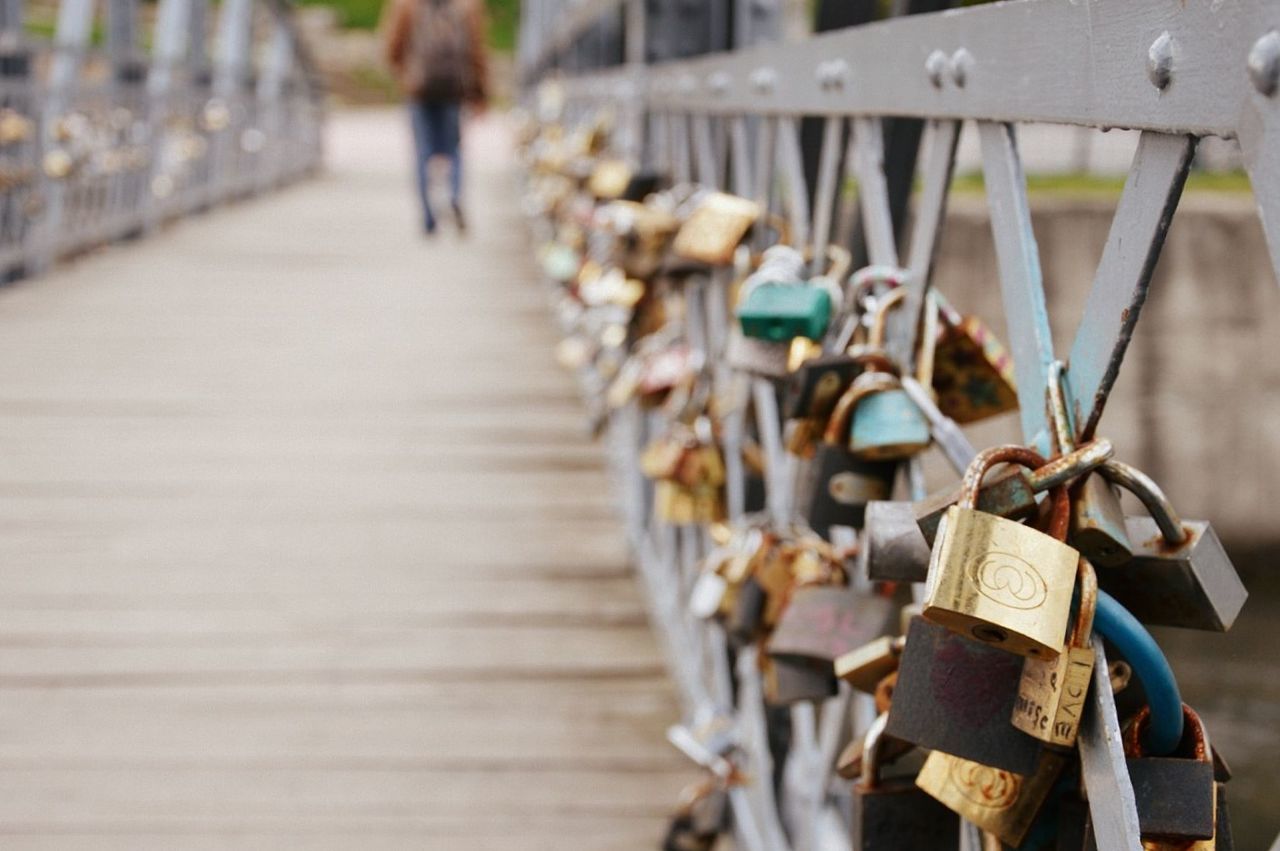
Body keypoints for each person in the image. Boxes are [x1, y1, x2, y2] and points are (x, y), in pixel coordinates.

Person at [383, 0, 488, 236]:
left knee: (423, 151)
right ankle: (453, 194)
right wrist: (480, 92)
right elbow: (476, 51)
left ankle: (429, 216)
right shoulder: (466, 5)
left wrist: (404, 75)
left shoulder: (406, 4)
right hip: (453, 89)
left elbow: (393, 46)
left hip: (418, 89)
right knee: (454, 149)